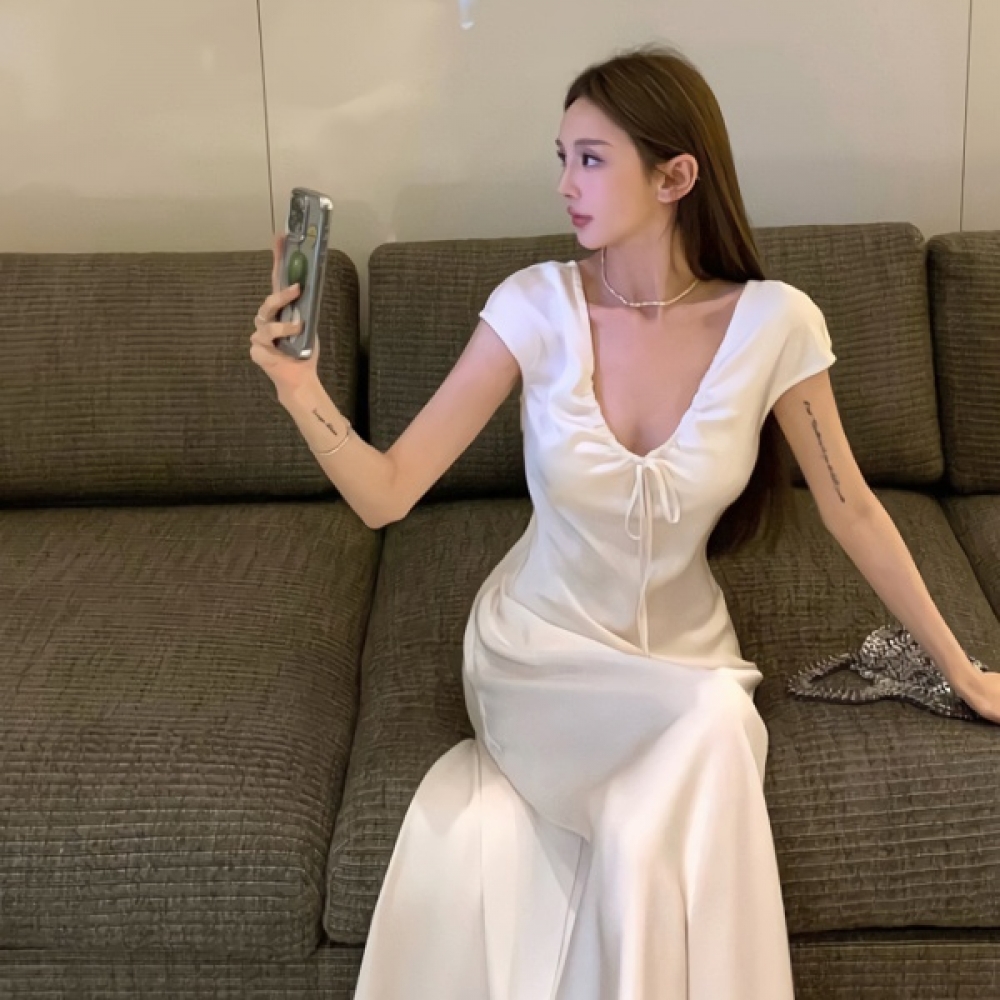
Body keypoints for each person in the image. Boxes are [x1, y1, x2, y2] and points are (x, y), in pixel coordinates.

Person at [251, 42, 1000, 1000]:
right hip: (537, 654)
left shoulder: (776, 324)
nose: (565, 184)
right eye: (561, 157)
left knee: (702, 738)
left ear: (675, 176)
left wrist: (962, 668)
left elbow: (853, 507)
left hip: (688, 659)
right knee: (709, 733)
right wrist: (300, 389)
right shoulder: (533, 307)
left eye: (591, 159)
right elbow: (387, 491)